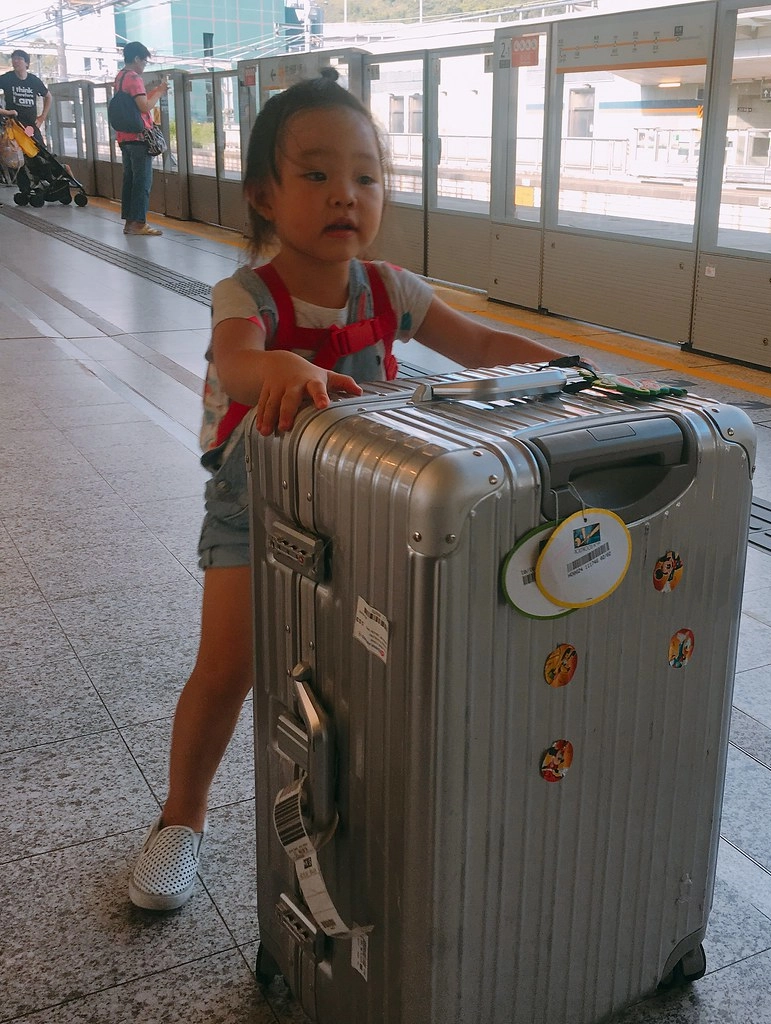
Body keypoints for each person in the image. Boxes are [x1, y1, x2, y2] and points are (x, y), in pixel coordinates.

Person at [128, 68, 574, 910]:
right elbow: (237, 361)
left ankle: (367, 819)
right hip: (257, 505)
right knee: (228, 668)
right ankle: (181, 818)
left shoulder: (391, 289)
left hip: (369, 509)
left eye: (366, 176)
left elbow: (481, 346)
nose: (346, 195)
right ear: (262, 195)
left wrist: (574, 373)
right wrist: (281, 366)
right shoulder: (248, 295)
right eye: (316, 174)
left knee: (367, 671)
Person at [114, 41, 166, 236]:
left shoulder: (120, 76)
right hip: (139, 137)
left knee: (130, 180)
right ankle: (139, 224)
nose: (144, 66)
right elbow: (144, 107)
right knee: (142, 182)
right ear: (136, 59)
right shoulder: (134, 77)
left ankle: (129, 223)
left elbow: (135, 103)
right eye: (144, 62)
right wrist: (159, 92)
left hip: (124, 137)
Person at [0, 49, 50, 139]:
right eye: (14, 59)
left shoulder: (33, 80)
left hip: (30, 126)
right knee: (14, 146)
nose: (15, 61)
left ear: (26, 63)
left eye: (19, 58)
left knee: (37, 146)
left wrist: (42, 117)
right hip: (13, 125)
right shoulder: (7, 78)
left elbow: (48, 96)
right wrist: (6, 112)